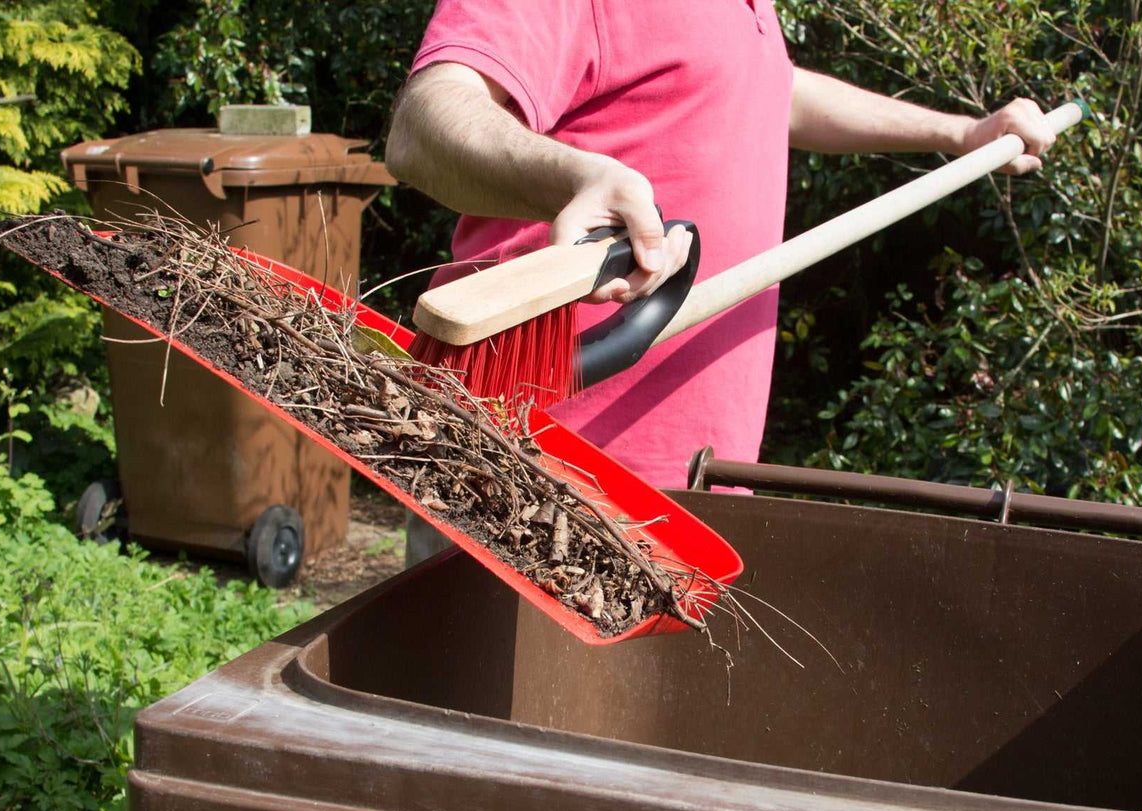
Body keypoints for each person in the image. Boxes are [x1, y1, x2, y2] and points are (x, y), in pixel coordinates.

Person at [387, 0, 1053, 561]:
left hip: (696, 489)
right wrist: (575, 176)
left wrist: (961, 131)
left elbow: (772, 89)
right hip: (524, 481)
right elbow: (426, 123)